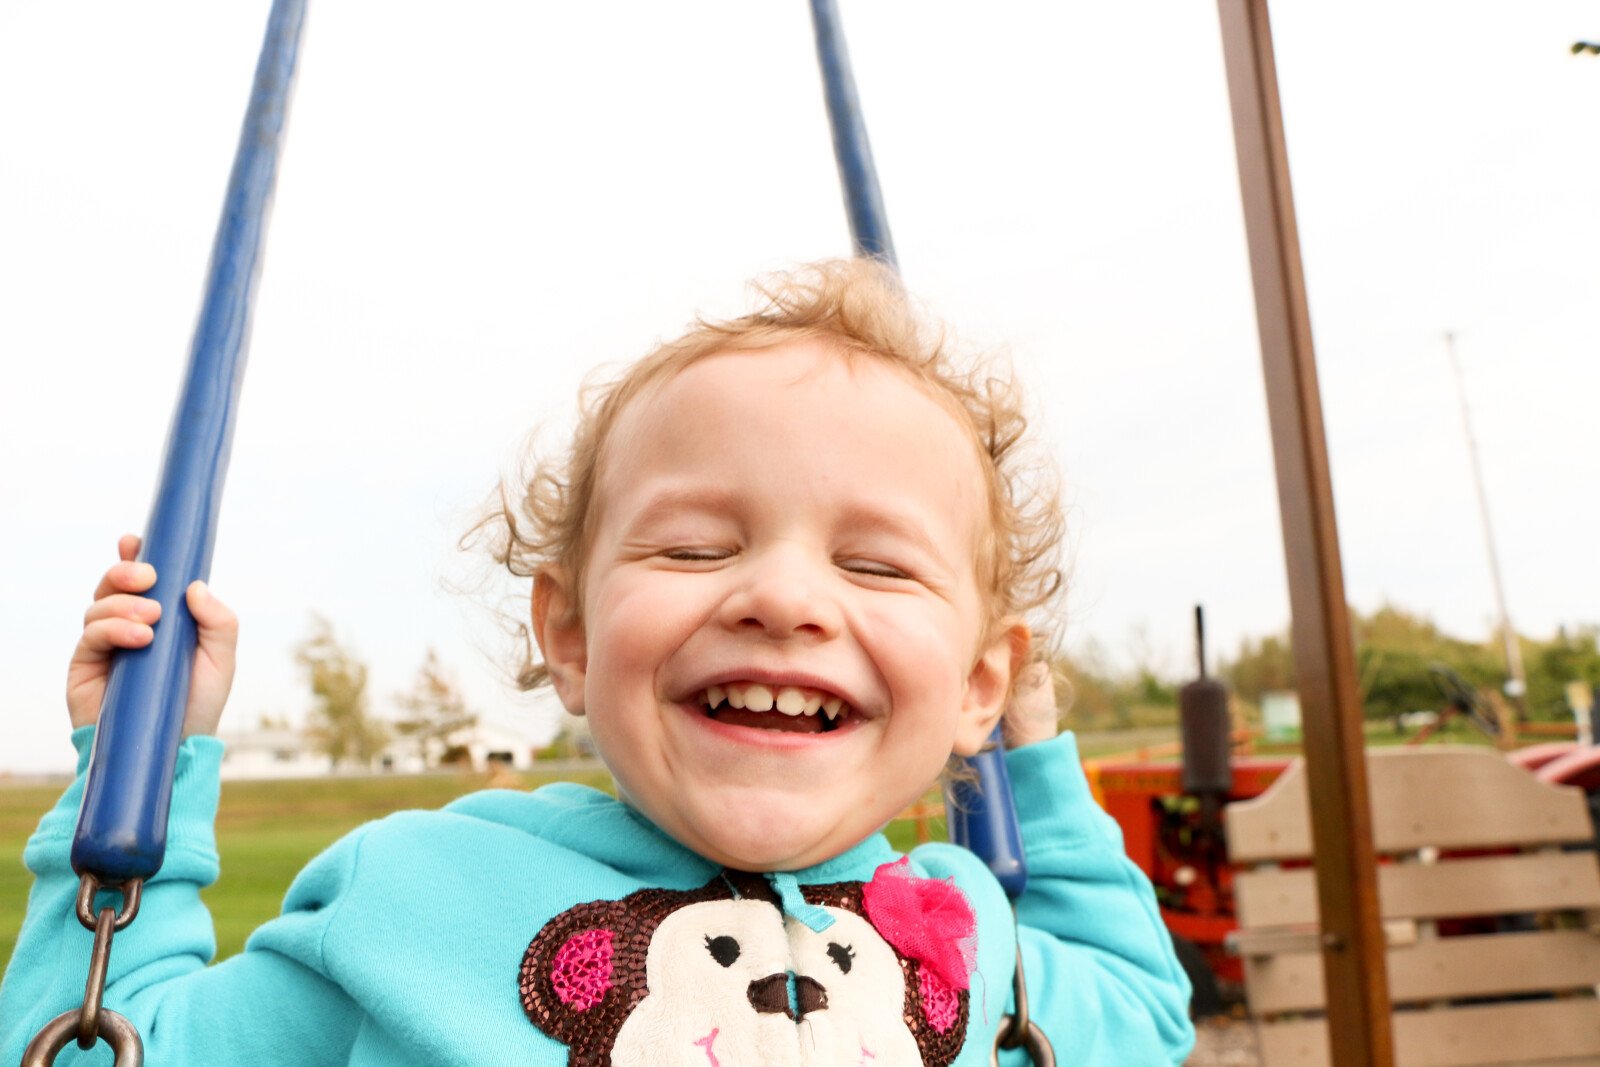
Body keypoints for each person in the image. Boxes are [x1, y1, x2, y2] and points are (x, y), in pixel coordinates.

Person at [1, 259, 1194, 1065]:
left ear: (977, 684)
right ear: (568, 634)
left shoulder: (964, 927)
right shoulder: (413, 898)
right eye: (694, 544)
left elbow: (1139, 1019)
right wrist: (141, 771)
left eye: (876, 567)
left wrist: (1029, 762)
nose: (781, 595)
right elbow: (99, 1041)